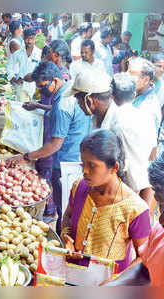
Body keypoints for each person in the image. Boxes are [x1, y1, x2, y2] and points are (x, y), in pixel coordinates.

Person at [11, 62, 91, 233]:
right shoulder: (69, 90)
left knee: (65, 207)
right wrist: (39, 106)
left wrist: (26, 157)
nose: (41, 91)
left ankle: (63, 239)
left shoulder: (63, 104)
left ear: (55, 80)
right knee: (72, 205)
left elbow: (55, 145)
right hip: (77, 155)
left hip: (66, 162)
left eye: (43, 86)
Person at [61, 129, 151, 273]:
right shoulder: (79, 187)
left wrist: (118, 280)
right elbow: (68, 216)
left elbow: (144, 257)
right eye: (82, 163)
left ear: (114, 168)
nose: (84, 170)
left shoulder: (136, 209)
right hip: (72, 273)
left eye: (92, 165)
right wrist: (66, 235)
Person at [72, 70, 157, 216]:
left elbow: (137, 180)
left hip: (122, 206)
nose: (78, 104)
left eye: (78, 99)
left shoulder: (122, 126)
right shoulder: (98, 118)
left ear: (90, 100)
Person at [103, 152, 164, 286]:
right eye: (161, 204)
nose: (161, 220)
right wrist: (110, 287)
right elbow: (145, 268)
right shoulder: (159, 232)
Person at [127, 57, 162, 139]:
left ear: (146, 80)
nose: (126, 77)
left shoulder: (148, 108)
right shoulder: (136, 93)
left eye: (131, 74)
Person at [7, 28, 41, 101]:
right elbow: (9, 66)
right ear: (23, 38)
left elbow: (43, 70)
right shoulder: (18, 53)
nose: (29, 41)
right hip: (21, 86)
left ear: (35, 38)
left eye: (31, 39)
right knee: (21, 107)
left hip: (35, 87)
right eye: (26, 39)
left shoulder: (39, 53)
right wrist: (13, 78)